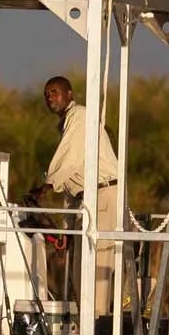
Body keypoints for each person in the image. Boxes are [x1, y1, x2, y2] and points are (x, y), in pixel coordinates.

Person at [34, 75, 121, 322]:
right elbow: (74, 185)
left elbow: (68, 161)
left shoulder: (79, 116)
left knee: (96, 270)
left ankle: (97, 333)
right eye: (47, 94)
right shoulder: (67, 124)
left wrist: (47, 184)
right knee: (80, 272)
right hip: (87, 199)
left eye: (55, 92)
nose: (50, 97)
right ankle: (87, 328)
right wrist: (66, 231)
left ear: (69, 94)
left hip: (104, 195)